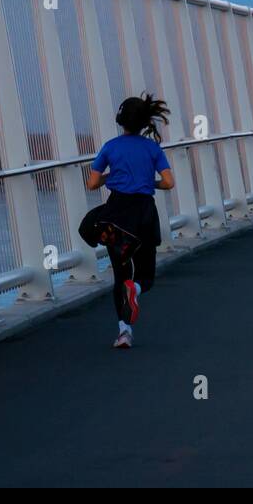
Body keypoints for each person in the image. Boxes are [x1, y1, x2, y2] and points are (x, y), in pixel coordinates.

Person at [78, 93, 174, 349]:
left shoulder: (110, 147)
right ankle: (137, 290)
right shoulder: (152, 148)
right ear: (145, 123)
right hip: (144, 213)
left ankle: (124, 332)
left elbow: (92, 183)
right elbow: (169, 182)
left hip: (116, 215)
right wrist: (149, 182)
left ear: (121, 121)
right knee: (146, 276)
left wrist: (110, 176)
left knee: (121, 275)